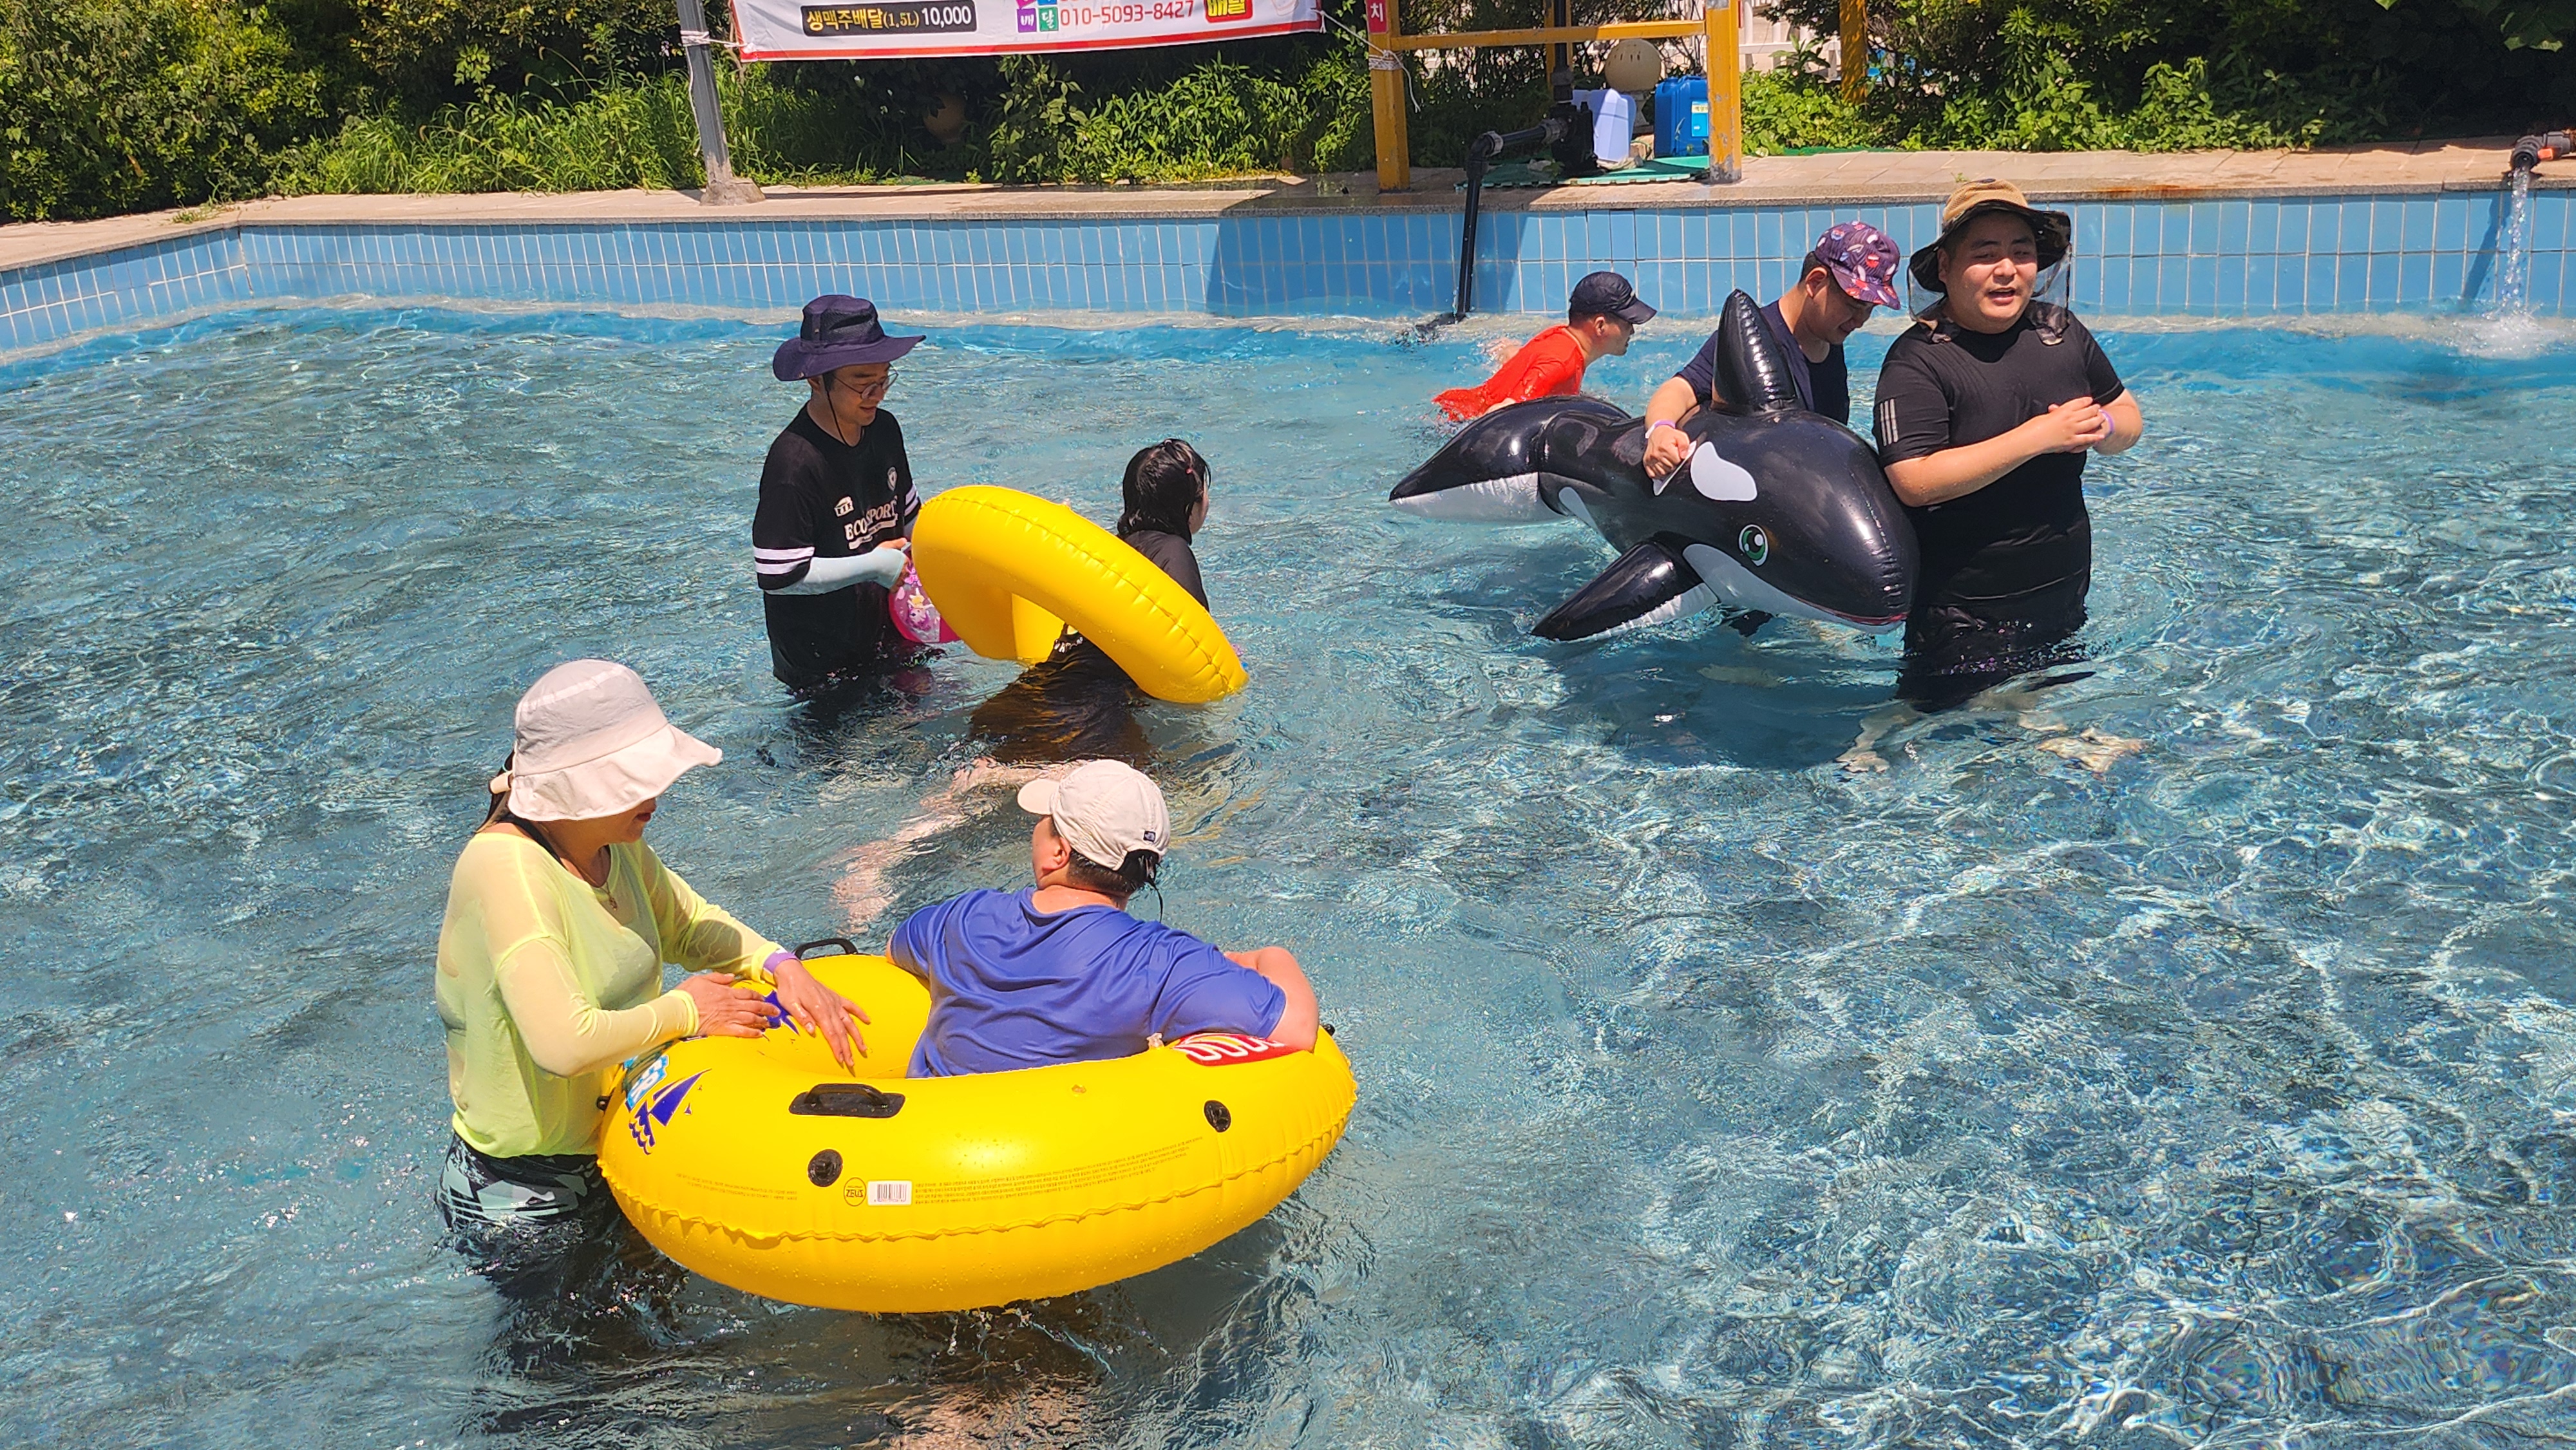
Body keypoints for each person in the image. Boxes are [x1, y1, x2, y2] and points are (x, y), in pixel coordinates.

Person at [435, 659, 869, 1237]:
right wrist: (687, 1011)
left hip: (623, 1150)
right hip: (523, 1192)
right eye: (637, 781)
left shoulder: (609, 841)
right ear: (585, 786)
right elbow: (562, 1045)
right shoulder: (506, 868)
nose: (659, 794)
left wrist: (779, 964)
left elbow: (688, 924)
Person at [1871, 180, 2145, 710]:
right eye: (1986, 253)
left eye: (2022, 253)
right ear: (1946, 268)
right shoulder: (1918, 361)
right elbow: (1913, 480)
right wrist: (2036, 438)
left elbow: (2130, 416)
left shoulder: (2060, 332)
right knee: (1936, 726)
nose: (2007, 269)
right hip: (1965, 613)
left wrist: (2102, 428)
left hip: (2062, 593)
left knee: (2045, 703)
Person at [885, 760, 1319, 1077]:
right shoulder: (1158, 962)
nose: (1036, 825)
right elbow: (1298, 1030)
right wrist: (1270, 956)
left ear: (1059, 852)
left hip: (925, 1152)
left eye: (1046, 820)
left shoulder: (965, 916)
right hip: (1060, 1172)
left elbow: (894, 948)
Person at [967, 439, 1215, 764]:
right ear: (1189, 507)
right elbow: (1194, 652)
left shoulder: (1110, 553)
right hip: (1091, 710)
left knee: (981, 773)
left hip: (1043, 685)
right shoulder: (1174, 551)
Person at [753, 295, 926, 695]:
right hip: (822, 664)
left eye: (884, 379)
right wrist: (873, 567)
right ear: (816, 380)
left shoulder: (884, 430)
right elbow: (780, 577)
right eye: (863, 383)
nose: (877, 394)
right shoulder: (794, 463)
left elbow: (913, 519)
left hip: (887, 632)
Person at [1642, 220, 1902, 478]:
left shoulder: (1829, 336)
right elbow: (1679, 389)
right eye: (1853, 306)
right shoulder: (1754, 338)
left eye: (1870, 310)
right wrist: (1661, 430)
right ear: (1815, 282)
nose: (1861, 322)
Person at [1435, 271, 1656, 420]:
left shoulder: (1560, 337)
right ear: (1600, 326)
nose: (1633, 331)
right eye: (1628, 323)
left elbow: (1530, 368)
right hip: (1454, 423)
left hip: (1453, 408)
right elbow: (1499, 415)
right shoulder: (1562, 364)